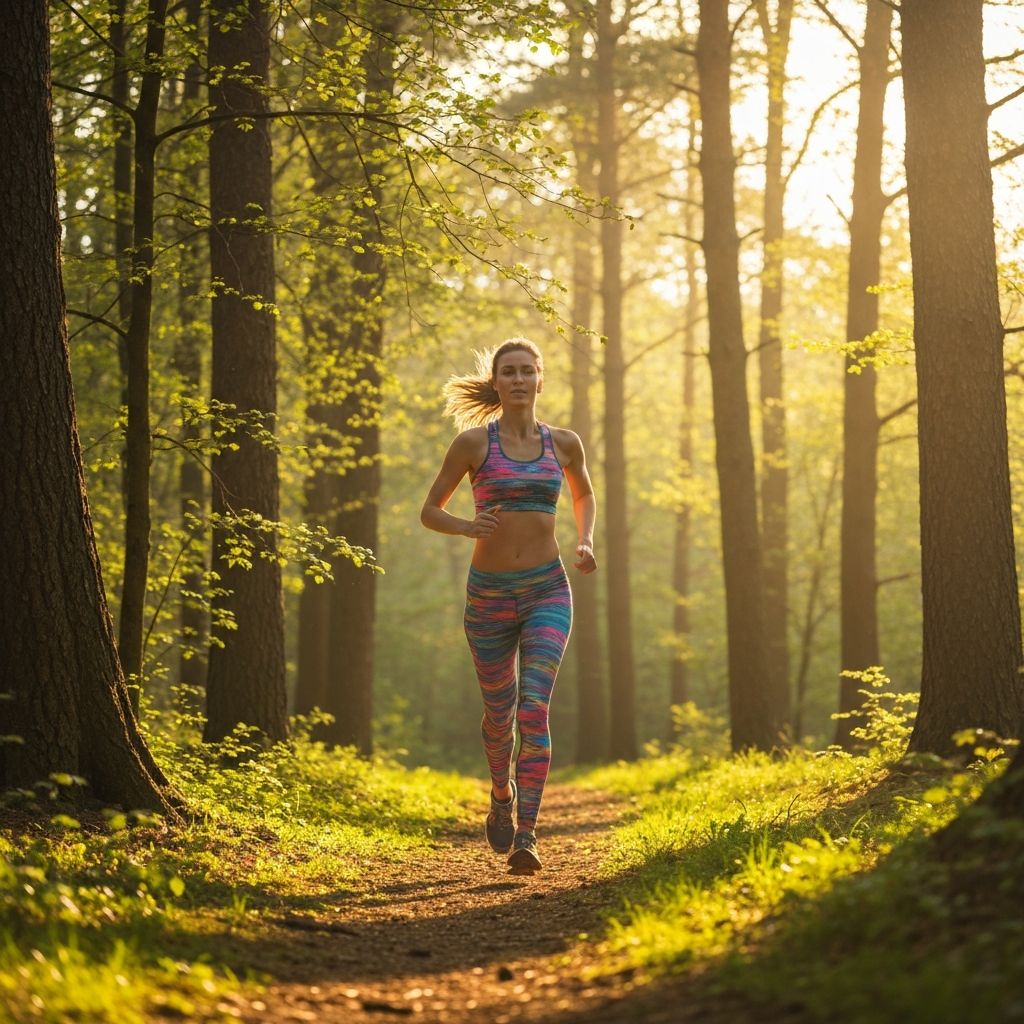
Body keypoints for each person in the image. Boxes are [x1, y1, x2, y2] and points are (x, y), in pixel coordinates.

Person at [420, 337, 597, 875]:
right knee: (499, 717)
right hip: (490, 595)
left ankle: (527, 834)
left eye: (527, 371)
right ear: (496, 383)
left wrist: (586, 539)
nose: (519, 379)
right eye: (509, 372)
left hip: (548, 589)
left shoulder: (564, 443)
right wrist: (466, 525)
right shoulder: (474, 444)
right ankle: (501, 793)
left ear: (541, 379)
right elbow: (430, 510)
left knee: (533, 708)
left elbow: (584, 495)